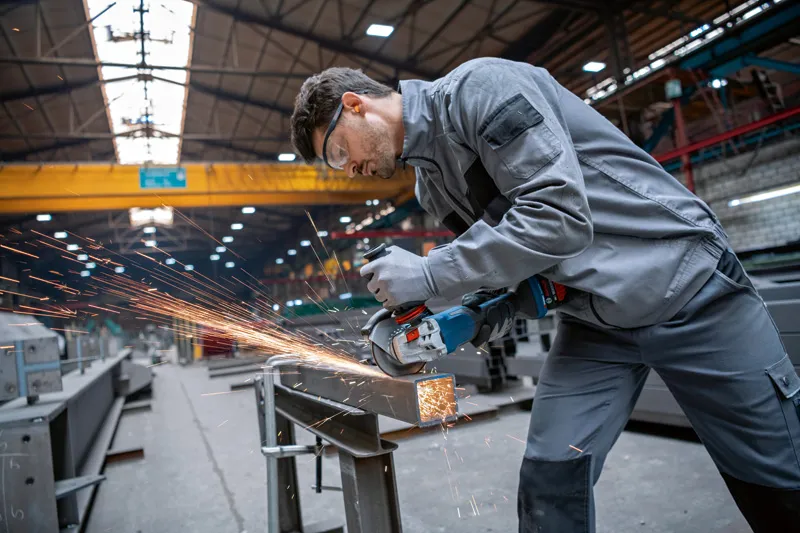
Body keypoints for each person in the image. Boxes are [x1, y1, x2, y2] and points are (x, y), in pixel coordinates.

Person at [290, 58, 800, 533]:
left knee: (774, 483)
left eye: (339, 152)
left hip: (687, 286)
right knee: (549, 481)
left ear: (356, 104)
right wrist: (467, 317)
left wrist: (429, 272)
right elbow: (521, 265)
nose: (348, 168)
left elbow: (558, 219)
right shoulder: (432, 187)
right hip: (596, 323)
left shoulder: (478, 90)